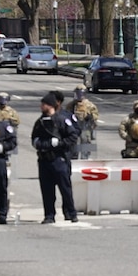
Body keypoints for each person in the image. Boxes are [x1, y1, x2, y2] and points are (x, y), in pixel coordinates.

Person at [32, 93, 80, 224]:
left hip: (59, 159)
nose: (41, 106)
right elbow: (34, 139)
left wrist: (59, 144)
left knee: (65, 188)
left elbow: (73, 136)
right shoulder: (40, 122)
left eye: (44, 104)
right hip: (44, 160)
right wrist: (43, 145)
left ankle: (71, 212)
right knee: (47, 190)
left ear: (51, 105)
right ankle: (49, 215)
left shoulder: (62, 120)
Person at [65, 85, 98, 159]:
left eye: (81, 93)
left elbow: (95, 117)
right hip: (74, 129)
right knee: (73, 146)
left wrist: (90, 117)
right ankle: (73, 160)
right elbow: (65, 115)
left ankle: (85, 159)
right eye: (77, 93)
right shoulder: (71, 105)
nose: (79, 95)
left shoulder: (90, 105)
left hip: (85, 128)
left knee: (85, 146)